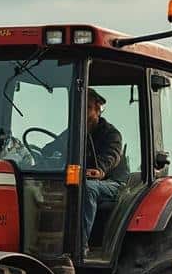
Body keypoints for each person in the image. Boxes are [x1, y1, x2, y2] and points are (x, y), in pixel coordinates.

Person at [48, 88, 129, 245]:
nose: (82, 112)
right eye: (79, 107)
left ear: (98, 110)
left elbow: (112, 155)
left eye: (88, 108)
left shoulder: (111, 134)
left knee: (87, 187)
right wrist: (43, 154)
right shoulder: (73, 132)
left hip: (112, 183)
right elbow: (52, 147)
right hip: (80, 177)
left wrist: (100, 170)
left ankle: (79, 245)